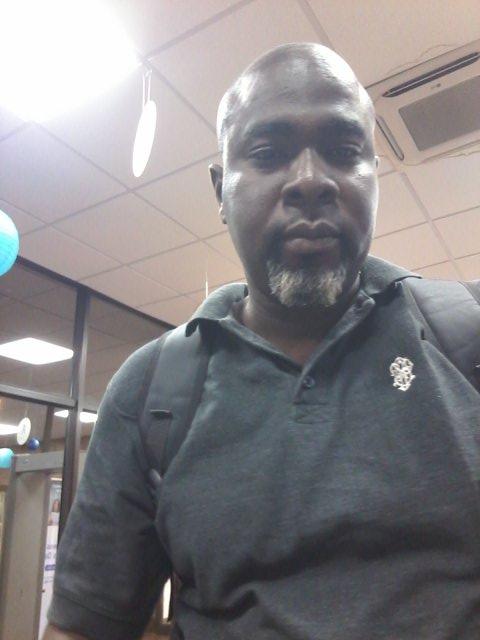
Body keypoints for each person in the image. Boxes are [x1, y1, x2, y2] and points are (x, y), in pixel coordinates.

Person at [44, 43, 480, 640]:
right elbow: (82, 628)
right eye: (269, 154)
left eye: (343, 151)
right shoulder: (150, 393)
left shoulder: (466, 336)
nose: (310, 181)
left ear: (374, 176)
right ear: (220, 191)